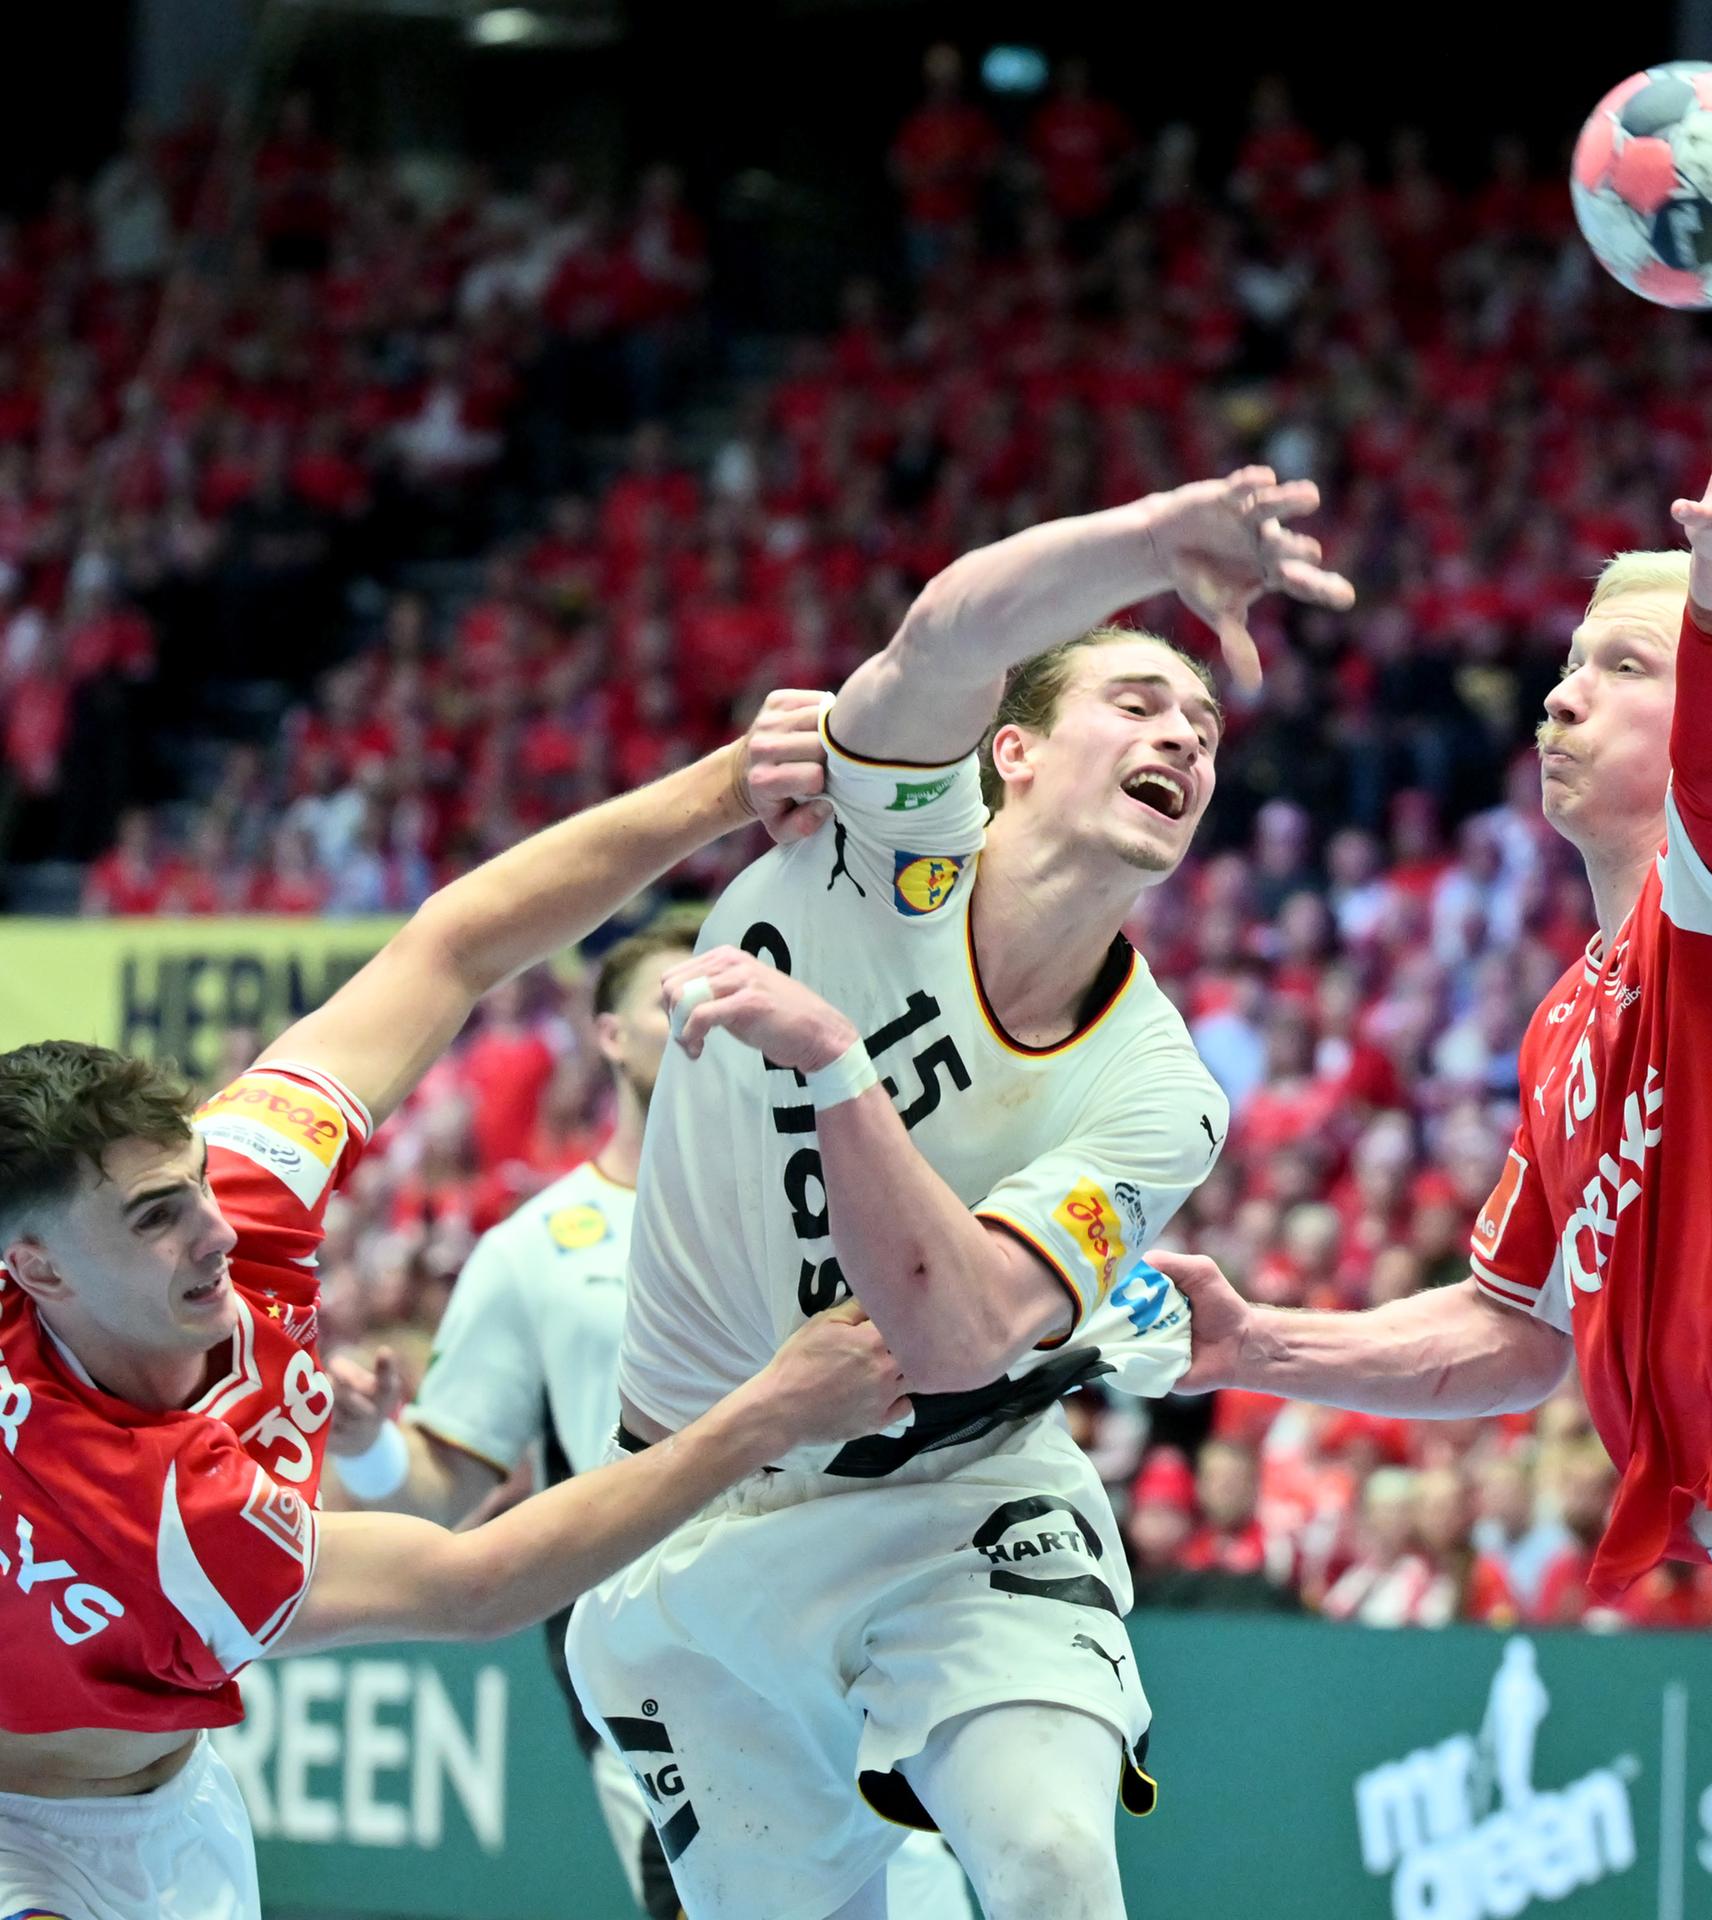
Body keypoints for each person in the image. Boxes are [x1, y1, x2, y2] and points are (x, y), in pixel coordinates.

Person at [1158, 358, 1712, 1920]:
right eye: (1571, 659)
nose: (1564, 691)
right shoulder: (1570, 1017)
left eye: (1621, 667)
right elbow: (1512, 1328)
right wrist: (1257, 1344)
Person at [565, 467, 1353, 1920]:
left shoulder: (1162, 1091)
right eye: (1134, 700)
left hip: (964, 1499)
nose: (1183, 727)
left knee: (1053, 1863)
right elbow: (943, 633)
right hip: (700, 1507)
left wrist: (833, 1069)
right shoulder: (887, 834)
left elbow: (959, 1330)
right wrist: (1144, 544)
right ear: (1014, 754)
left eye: (1204, 726)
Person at [0, 695, 911, 1920]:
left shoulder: (246, 1179)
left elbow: (452, 947)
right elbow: (477, 1584)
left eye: (191, 1188)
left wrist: (722, 786)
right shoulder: (170, 1516)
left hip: (171, 1807)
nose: (212, 1230)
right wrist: (767, 1414)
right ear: (37, 1270)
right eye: (154, 1222)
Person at [333, 923, 970, 1920]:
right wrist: (369, 1444)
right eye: (676, 1000)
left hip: (863, 1644)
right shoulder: (532, 1249)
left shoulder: (835, 1203)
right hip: (666, 1672)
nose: (717, 1017)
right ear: (608, 1038)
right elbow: (444, 1489)